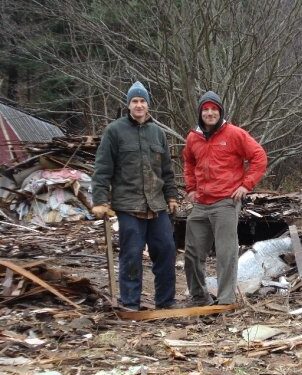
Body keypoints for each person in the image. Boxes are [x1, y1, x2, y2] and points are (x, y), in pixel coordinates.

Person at [92, 81, 179, 311]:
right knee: (131, 255)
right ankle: (130, 303)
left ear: (148, 105)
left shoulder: (157, 133)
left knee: (167, 251)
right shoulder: (114, 131)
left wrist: (171, 197)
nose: (139, 105)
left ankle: (166, 301)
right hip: (128, 205)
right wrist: (100, 200)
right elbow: (102, 168)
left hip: (157, 205)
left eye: (142, 101)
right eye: (134, 101)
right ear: (128, 105)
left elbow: (167, 171)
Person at [183, 90, 267, 306]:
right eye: (205, 109)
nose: (209, 113)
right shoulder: (193, 137)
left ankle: (225, 301)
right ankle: (200, 298)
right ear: (200, 112)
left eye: (214, 109)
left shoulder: (234, 134)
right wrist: (191, 187)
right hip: (201, 203)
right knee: (192, 254)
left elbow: (258, 157)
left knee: (225, 254)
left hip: (226, 203)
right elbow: (189, 162)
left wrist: (246, 185)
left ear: (220, 111)